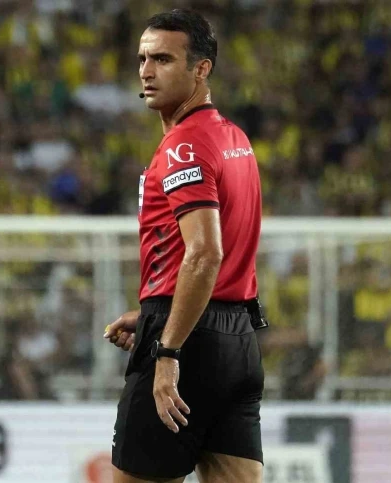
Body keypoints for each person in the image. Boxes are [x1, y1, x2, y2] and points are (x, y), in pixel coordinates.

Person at [104, 9, 265, 483]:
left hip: (187, 348)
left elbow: (206, 252)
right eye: (143, 58)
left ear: (201, 69)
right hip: (238, 342)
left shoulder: (183, 146)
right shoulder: (235, 139)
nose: (146, 71)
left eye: (163, 59)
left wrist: (167, 347)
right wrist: (154, 311)